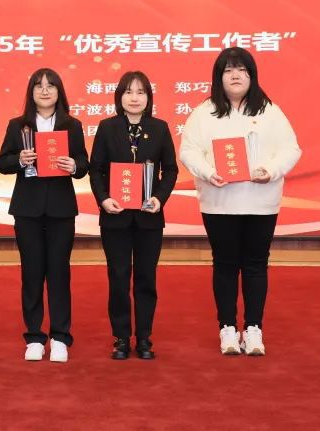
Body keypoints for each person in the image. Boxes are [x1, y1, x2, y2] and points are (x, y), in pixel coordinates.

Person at [179, 47, 300, 357]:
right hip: (219, 201)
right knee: (225, 263)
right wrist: (208, 172)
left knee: (256, 264)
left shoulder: (270, 111)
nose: (235, 75)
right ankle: (228, 328)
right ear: (219, 77)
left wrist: (270, 170)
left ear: (252, 76)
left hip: (261, 202)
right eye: (229, 70)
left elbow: (291, 150)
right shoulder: (204, 112)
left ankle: (254, 328)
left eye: (242, 70)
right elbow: (188, 151)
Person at [0, 68, 89, 363]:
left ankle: (60, 337)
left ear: (59, 91)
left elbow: (84, 163)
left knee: (59, 272)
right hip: (28, 209)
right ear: (31, 92)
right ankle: (34, 336)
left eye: (51, 86)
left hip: (61, 209)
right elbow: (1, 163)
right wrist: (19, 159)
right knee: (32, 273)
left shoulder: (71, 125)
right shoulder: (18, 126)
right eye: (39, 86)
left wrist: (74, 165)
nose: (45, 91)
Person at [89, 71, 178, 360]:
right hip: (115, 216)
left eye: (141, 92)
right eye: (128, 92)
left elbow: (170, 170)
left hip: (148, 217)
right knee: (118, 276)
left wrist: (159, 198)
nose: (135, 98)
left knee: (145, 277)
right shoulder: (107, 127)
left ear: (149, 97)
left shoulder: (160, 128)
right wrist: (104, 199)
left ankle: (144, 337)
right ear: (120, 97)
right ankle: (121, 337)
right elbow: (96, 169)